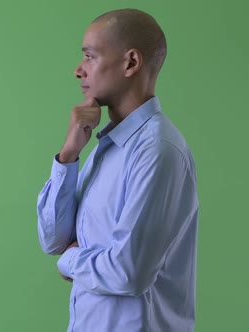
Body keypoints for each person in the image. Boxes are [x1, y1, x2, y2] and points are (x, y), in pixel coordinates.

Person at [36, 8, 199, 332]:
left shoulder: (157, 150)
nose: (78, 70)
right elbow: (52, 240)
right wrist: (68, 155)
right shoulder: (104, 149)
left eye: (89, 56)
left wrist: (71, 261)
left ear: (131, 63)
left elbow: (129, 273)